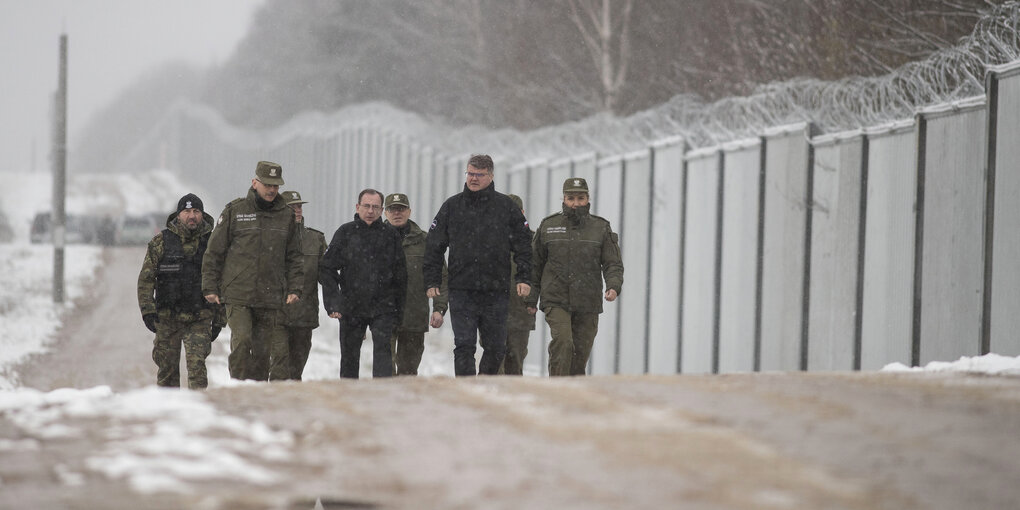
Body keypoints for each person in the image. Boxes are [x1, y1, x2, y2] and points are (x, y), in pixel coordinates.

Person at [424, 154, 532, 376]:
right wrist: (433, 280)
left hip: (496, 290)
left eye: (479, 175)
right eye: (470, 173)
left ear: (491, 176)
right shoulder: (452, 206)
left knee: (495, 348)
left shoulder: (506, 207)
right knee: (464, 345)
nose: (473, 179)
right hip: (462, 289)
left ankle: (485, 384)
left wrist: (523, 277)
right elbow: (434, 245)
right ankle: (466, 388)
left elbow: (524, 244)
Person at [202, 161, 304, 381]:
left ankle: (256, 391)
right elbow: (214, 251)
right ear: (254, 182)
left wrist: (295, 287)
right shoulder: (235, 211)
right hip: (238, 292)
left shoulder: (286, 216)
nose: (271, 190)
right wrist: (209, 286)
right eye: (267, 184)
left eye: (275, 186)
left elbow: (294, 256)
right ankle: (238, 384)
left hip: (270, 294)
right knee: (242, 340)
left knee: (262, 351)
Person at [532, 177, 624, 376]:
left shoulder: (600, 228)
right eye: (571, 198)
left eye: (580, 198)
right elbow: (535, 265)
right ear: (563, 199)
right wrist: (531, 299)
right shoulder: (549, 226)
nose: (575, 203)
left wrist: (613, 286)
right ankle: (557, 387)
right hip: (555, 299)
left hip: (587, 300)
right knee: (563, 341)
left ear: (588, 199)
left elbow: (612, 263)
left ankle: (573, 393)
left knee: (579, 354)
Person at [137, 193, 225, 389]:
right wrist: (148, 312)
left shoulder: (212, 244)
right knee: (167, 373)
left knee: (197, 372)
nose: (191, 216)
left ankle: (197, 414)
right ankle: (170, 414)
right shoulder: (161, 242)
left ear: (202, 214)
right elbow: (146, 280)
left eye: (196, 211)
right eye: (186, 212)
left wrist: (220, 318)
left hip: (199, 318)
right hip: (168, 319)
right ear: (178, 215)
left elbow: (223, 282)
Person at [319, 189, 407, 379]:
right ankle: (349, 395)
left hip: (383, 306)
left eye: (375, 207)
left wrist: (399, 310)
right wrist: (333, 302)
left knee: (384, 353)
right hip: (352, 306)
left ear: (382, 210)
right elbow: (327, 268)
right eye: (366, 206)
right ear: (357, 207)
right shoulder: (345, 233)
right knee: (349, 357)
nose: (370, 211)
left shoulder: (391, 236)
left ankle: (381, 395)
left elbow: (401, 276)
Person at [383, 192, 448, 376]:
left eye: (401, 209)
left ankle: (405, 403)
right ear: (385, 212)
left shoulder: (425, 242)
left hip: (414, 315)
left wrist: (439, 308)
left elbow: (441, 276)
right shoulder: (374, 239)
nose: (397, 213)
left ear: (409, 211)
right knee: (384, 370)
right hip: (383, 314)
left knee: (408, 371)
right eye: (392, 209)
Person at [281, 190, 328, 381]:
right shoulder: (272, 239)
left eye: (299, 206)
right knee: (278, 368)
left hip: (304, 316)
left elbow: (327, 276)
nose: (297, 210)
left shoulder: (315, 239)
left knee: (296, 370)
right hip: (277, 315)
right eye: (291, 207)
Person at [498, 194, 537, 375]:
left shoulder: (534, 242)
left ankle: (511, 399)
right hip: (493, 309)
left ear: (522, 213)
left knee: (516, 359)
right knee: (495, 360)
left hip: (521, 310)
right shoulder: (488, 240)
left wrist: (533, 299)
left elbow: (543, 273)